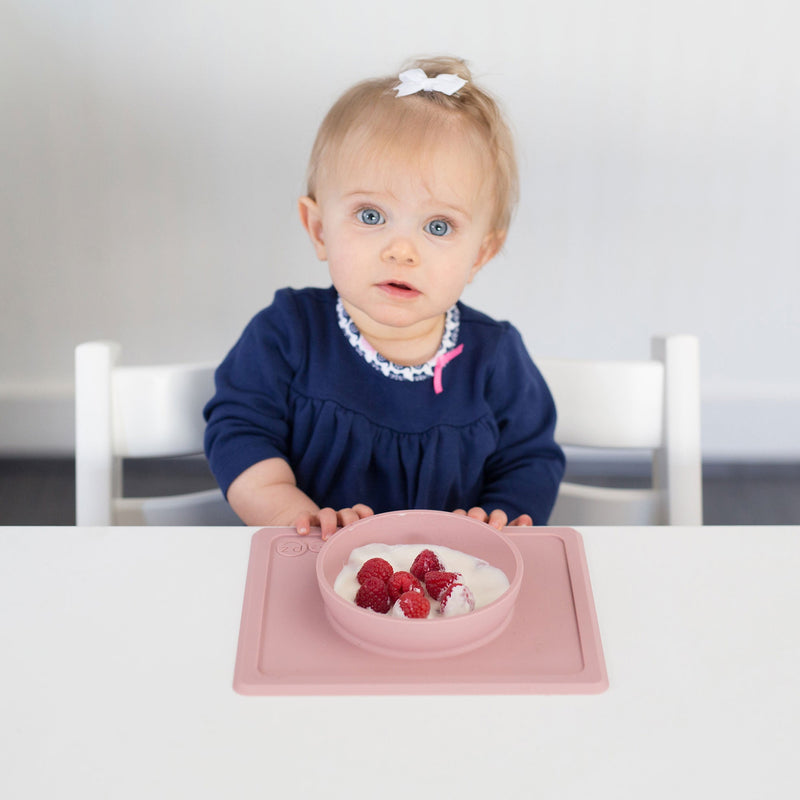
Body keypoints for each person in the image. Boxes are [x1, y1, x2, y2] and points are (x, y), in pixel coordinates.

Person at [204, 56, 565, 539]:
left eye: (438, 226)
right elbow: (239, 431)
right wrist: (292, 515)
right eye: (371, 215)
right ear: (318, 229)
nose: (401, 251)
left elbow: (530, 459)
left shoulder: (494, 356)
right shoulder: (287, 332)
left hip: (450, 586)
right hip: (313, 566)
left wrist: (498, 517)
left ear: (481, 253)